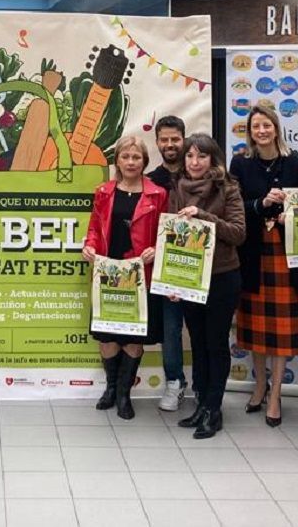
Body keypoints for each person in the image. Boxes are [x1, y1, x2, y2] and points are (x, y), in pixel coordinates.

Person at [230, 101, 298, 427]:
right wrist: (261, 203)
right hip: (252, 254)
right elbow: (236, 208)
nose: (261, 131)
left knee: (280, 331)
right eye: (256, 127)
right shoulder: (241, 163)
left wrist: (286, 215)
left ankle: (276, 393)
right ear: (250, 132)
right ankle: (259, 385)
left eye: (266, 125)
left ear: (276, 127)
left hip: (287, 256)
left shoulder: (297, 162)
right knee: (255, 327)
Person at [82, 135, 168, 421]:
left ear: (144, 162)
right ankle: (109, 389)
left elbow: (165, 233)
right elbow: (95, 227)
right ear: (117, 160)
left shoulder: (158, 194)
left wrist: (157, 249)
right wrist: (90, 245)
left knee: (132, 340)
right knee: (107, 337)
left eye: (137, 158)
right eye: (126, 157)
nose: (131, 162)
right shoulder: (104, 191)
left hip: (140, 275)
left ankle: (123, 394)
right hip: (107, 272)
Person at [168, 133, 245, 439]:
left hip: (222, 276)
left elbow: (238, 233)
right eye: (190, 156)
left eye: (201, 156)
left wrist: (203, 216)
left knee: (215, 344)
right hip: (189, 278)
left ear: (213, 160)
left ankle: (214, 409)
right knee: (197, 344)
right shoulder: (177, 189)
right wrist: (171, 279)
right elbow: (171, 237)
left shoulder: (228, 189)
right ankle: (201, 404)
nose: (194, 162)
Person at [146, 115, 191, 413]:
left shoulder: (200, 172)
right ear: (158, 142)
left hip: (201, 265)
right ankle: (174, 381)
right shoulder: (150, 180)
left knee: (202, 331)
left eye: (175, 139)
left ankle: (205, 382)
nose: (170, 144)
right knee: (171, 329)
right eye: (165, 139)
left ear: (184, 139)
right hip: (167, 269)